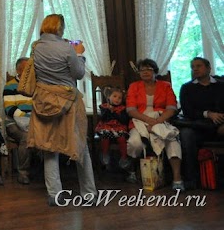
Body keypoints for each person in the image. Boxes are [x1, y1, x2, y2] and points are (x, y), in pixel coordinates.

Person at [27, 14, 97, 206]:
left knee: (49, 148)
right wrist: (79, 54)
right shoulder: (67, 48)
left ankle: (54, 194)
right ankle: (89, 194)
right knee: (80, 145)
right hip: (68, 102)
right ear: (59, 28)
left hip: (44, 101)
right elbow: (79, 73)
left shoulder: (36, 47)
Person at [124, 58, 183, 190]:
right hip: (139, 121)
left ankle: (177, 179)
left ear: (155, 71)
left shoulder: (165, 86)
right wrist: (148, 120)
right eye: (142, 70)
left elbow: (171, 108)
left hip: (161, 120)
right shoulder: (134, 86)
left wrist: (157, 122)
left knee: (172, 140)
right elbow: (131, 110)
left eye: (148, 69)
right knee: (135, 142)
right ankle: (132, 170)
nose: (145, 72)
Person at [179, 57, 224, 189]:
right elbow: (187, 111)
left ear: (208, 68)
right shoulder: (187, 88)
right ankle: (191, 178)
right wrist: (208, 114)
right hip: (197, 126)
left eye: (199, 66)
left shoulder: (221, 86)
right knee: (186, 135)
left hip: (219, 124)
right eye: (193, 67)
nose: (195, 69)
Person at [2, 57, 34, 184]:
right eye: (27, 69)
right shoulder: (10, 86)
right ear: (18, 70)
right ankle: (23, 173)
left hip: (34, 121)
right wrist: (26, 117)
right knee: (26, 137)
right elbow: (9, 109)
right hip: (13, 123)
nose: (30, 71)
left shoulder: (35, 85)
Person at [94, 87, 130, 169]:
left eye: (119, 98)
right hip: (107, 127)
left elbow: (124, 120)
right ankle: (105, 154)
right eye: (114, 96)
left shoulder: (122, 108)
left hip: (119, 128)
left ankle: (124, 157)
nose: (117, 99)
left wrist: (115, 113)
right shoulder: (104, 107)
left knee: (121, 138)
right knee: (105, 136)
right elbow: (103, 118)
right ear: (109, 97)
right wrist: (109, 110)